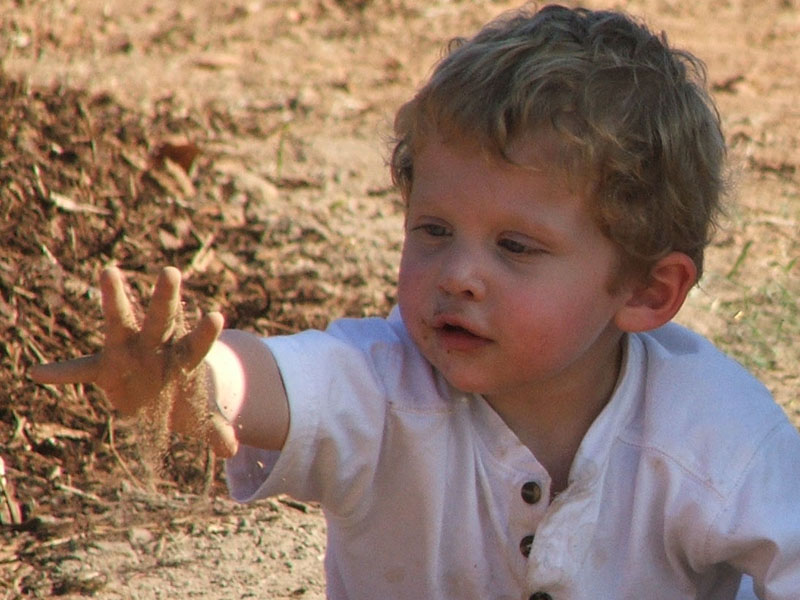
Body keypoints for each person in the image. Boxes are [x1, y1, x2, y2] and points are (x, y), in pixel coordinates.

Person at [30, 4, 800, 599]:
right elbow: (286, 381)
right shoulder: (386, 386)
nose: (458, 273)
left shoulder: (711, 432)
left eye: (515, 247)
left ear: (646, 291)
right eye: (433, 229)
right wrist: (191, 382)